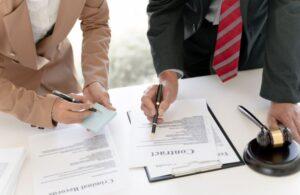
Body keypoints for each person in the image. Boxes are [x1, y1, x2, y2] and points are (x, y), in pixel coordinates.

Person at [141, 0, 300, 142]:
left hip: (253, 36)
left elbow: (290, 9)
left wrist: (282, 95)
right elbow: (164, 8)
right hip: (196, 36)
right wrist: (168, 77)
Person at [0, 0, 113, 128]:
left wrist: (95, 78)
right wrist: (43, 108)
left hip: (60, 70)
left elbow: (96, 23)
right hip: (9, 90)